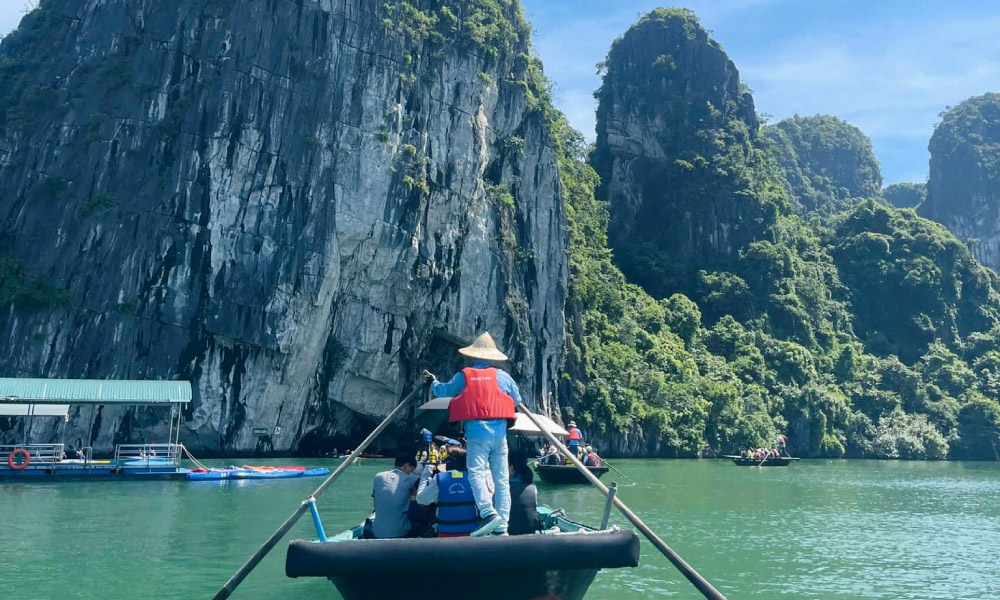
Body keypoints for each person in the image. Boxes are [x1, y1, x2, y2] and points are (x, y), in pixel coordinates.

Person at [424, 331, 521, 537]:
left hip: (477, 435)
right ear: (493, 357)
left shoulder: (464, 375)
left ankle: (487, 512)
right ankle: (502, 525)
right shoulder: (503, 376)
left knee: (476, 472)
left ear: (473, 355)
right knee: (501, 479)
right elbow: (516, 400)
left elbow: (443, 390)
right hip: (499, 437)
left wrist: (432, 382)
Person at [416, 447, 479, 537]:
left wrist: (425, 475)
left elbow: (421, 500)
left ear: (447, 464)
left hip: (445, 533)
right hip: (472, 532)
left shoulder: (439, 479)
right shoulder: (474, 479)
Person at [371, 451, 423, 539]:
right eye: (411, 470)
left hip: (377, 532)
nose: (412, 473)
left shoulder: (378, 476)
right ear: (406, 467)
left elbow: (375, 502)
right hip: (399, 532)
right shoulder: (412, 479)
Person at [507, 452, 540, 535]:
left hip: (509, 532)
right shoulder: (533, 488)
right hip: (530, 532)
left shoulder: (502, 489)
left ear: (511, 468)